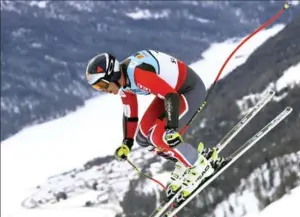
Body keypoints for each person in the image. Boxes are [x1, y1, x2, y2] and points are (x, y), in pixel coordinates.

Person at [85, 50, 222, 204]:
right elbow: (130, 114)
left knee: (160, 136)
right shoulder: (123, 84)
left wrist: (170, 128)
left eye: (102, 84)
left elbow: (171, 96)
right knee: (143, 139)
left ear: (113, 74)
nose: (103, 90)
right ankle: (185, 161)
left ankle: (200, 166)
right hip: (170, 94)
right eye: (97, 87)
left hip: (188, 91)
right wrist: (127, 143)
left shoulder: (137, 74)